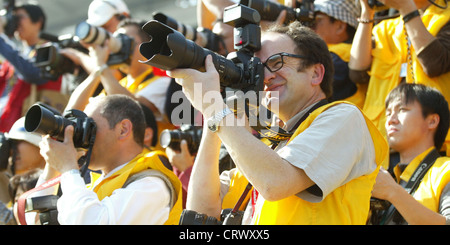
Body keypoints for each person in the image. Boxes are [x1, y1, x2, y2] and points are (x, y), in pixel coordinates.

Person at [167, 21, 388, 225]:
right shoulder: (266, 148)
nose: (266, 76)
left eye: (276, 62)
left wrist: (216, 109)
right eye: (258, 68)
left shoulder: (343, 118)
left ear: (316, 73)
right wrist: (212, 115)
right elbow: (203, 210)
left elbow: (275, 183)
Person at [26, 95, 182, 225]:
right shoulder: (91, 186)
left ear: (123, 130)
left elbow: (89, 221)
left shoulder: (152, 186)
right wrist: (53, 167)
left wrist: (68, 168)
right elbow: (34, 219)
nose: (83, 136)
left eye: (90, 127)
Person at [349, 0, 450, 156]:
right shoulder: (386, 28)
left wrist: (407, 8)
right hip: (383, 145)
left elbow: (434, 64)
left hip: (435, 143)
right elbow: (357, 72)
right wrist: (367, 13)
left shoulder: (446, 17)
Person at [63, 19, 174, 149]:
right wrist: (96, 72)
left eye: (127, 41)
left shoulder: (162, 83)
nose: (120, 47)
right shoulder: (117, 85)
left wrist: (102, 68)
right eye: (117, 40)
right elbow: (71, 114)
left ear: (146, 46)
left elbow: (132, 110)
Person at [370, 83, 450, 225]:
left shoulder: (445, 170)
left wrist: (393, 192)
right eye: (388, 113)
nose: (390, 120)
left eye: (402, 109)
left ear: (432, 121)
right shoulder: (387, 180)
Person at [0, 3, 64, 132]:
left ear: (38, 22)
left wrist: (2, 39)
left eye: (20, 17)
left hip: (33, 127)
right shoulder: (16, 55)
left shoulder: (51, 50)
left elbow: (33, 73)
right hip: (8, 125)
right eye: (13, 18)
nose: (15, 22)